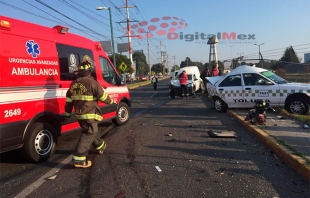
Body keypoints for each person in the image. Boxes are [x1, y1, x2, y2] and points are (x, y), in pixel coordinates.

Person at [64, 60, 115, 168]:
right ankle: (79, 159)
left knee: (92, 130)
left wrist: (67, 113)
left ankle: (100, 146)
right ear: (89, 71)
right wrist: (112, 102)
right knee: (89, 132)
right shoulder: (92, 83)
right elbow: (103, 96)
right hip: (89, 113)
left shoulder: (73, 84)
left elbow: (69, 100)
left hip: (79, 115)